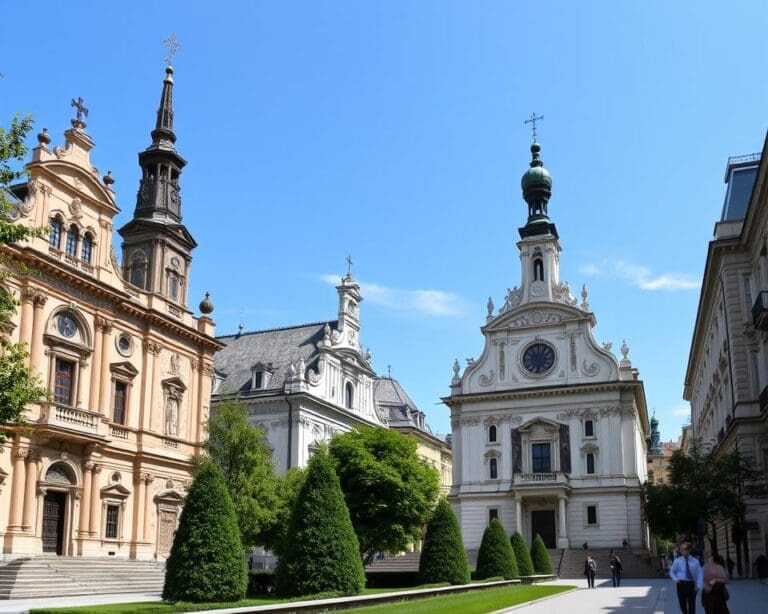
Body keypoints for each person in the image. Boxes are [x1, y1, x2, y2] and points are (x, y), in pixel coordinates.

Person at [669, 543, 703, 614]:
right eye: (682, 550)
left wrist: (698, 585)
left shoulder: (695, 561)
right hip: (681, 584)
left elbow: (700, 574)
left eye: (686, 549)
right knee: (682, 603)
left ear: (689, 550)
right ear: (680, 551)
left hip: (691, 584)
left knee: (692, 604)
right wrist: (675, 579)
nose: (684, 551)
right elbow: (672, 571)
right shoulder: (677, 561)